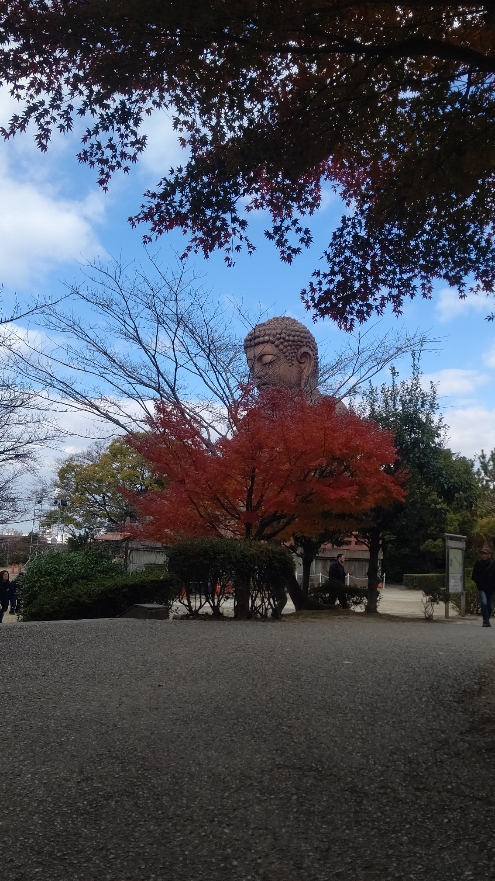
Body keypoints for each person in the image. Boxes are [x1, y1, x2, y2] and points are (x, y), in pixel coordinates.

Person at [471, 545, 495, 627]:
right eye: (482, 553)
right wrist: (479, 582)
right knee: (484, 603)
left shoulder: (493, 564)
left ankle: (487, 619)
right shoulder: (478, 564)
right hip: (482, 588)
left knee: (489, 605)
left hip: (491, 588)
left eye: (485, 553)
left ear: (489, 555)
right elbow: (474, 576)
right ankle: (485, 621)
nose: (483, 555)